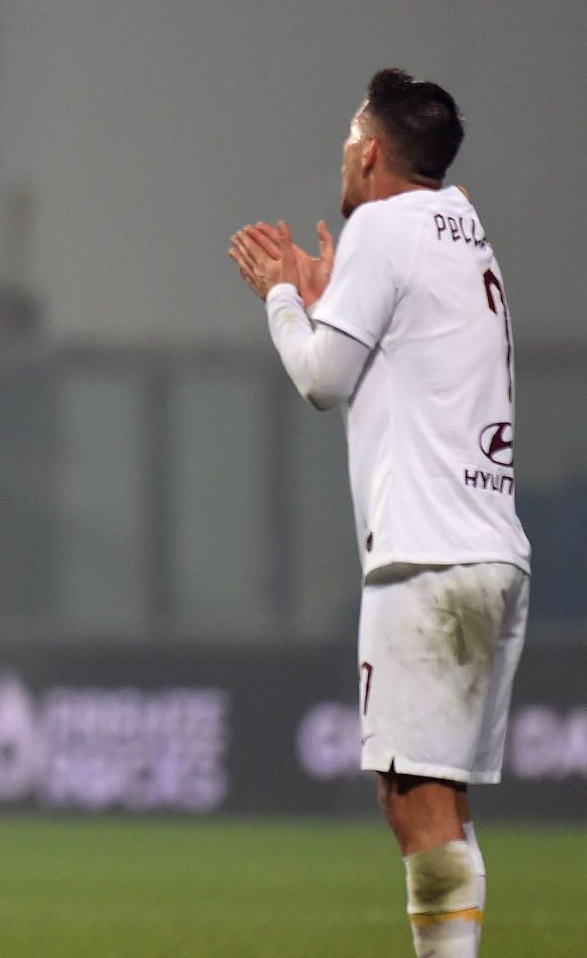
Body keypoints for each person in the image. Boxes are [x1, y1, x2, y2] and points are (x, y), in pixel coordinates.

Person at [228, 68, 529, 958]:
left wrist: (284, 298)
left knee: (416, 806)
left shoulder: (383, 225)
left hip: (426, 559)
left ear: (369, 152)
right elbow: (399, 356)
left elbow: (322, 380)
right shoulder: (462, 227)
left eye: (348, 144)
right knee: (441, 805)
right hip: (489, 549)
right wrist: (334, 305)